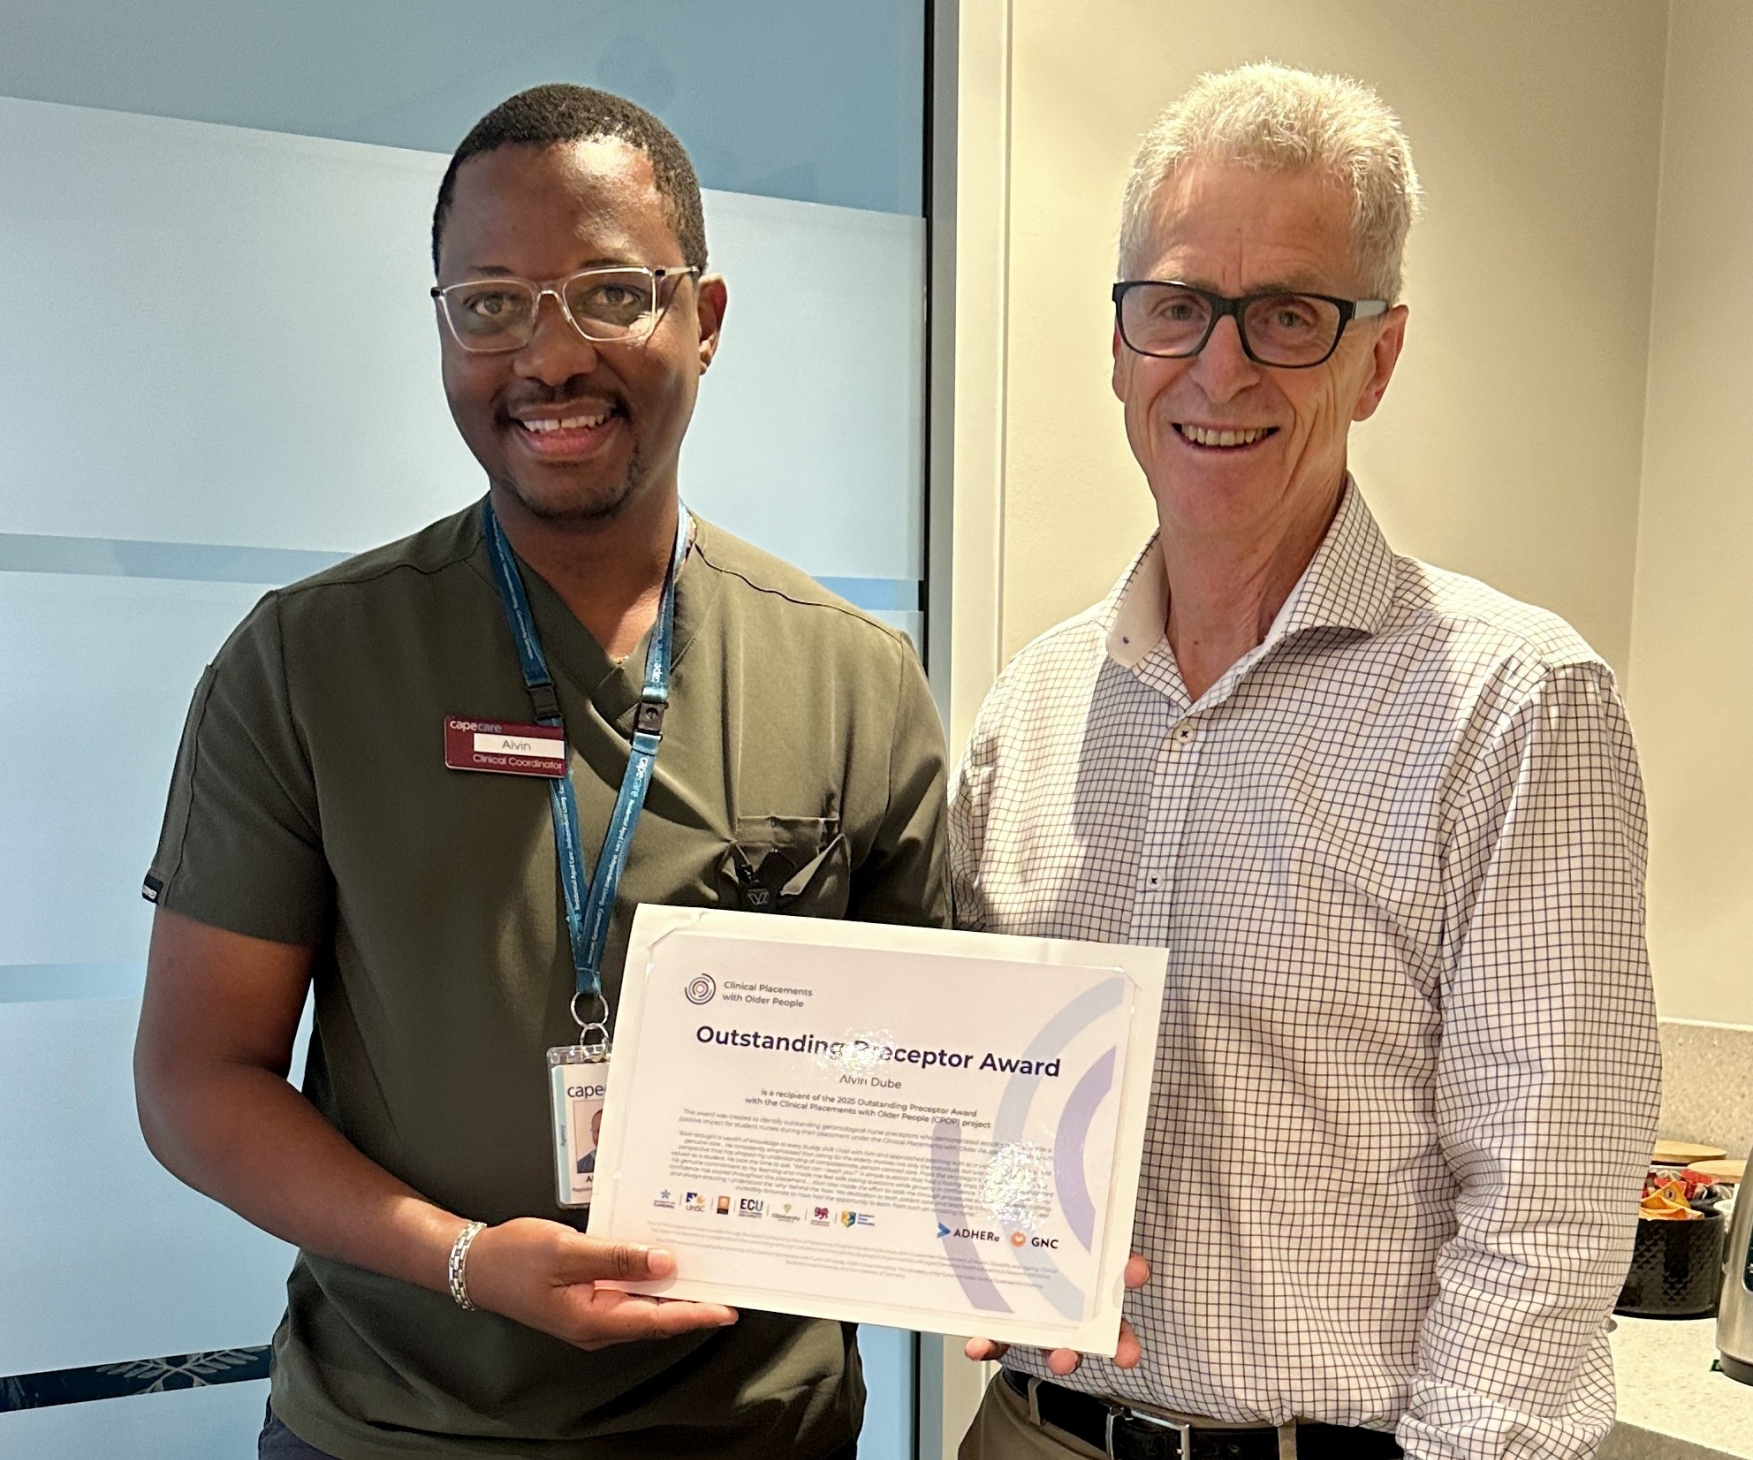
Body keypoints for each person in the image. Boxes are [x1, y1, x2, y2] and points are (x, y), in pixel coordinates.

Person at [132, 84, 948, 1460]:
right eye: (491, 304)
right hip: (390, 1427)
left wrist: (1019, 1250)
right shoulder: (307, 663)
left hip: (751, 1429)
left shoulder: (852, 678)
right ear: (443, 328)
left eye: (611, 293)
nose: (550, 355)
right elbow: (196, 1080)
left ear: (706, 318)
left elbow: (935, 1080)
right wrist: (459, 1259)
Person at [951, 63, 1659, 1460]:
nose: (1219, 370)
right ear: (1119, 343)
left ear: (1375, 359)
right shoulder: (1030, 707)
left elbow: (1547, 1200)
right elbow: (975, 1083)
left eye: (1287, 315)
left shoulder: (1515, 704)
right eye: (1176, 306)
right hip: (1027, 1431)